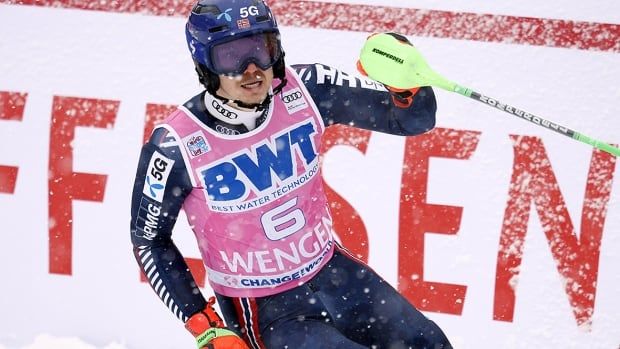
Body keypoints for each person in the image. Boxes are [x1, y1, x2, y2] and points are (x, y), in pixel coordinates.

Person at [130, 0, 452, 348]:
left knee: (428, 342)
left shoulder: (308, 88)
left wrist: (406, 84)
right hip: (266, 307)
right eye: (231, 57)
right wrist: (205, 324)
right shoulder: (175, 144)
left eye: (261, 48)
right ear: (205, 63)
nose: (251, 69)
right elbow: (149, 239)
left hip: (334, 274)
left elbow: (410, 119)